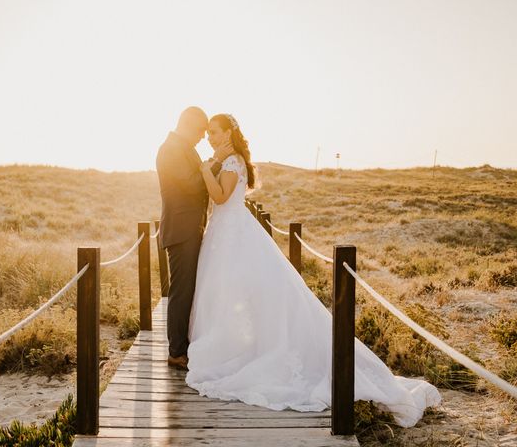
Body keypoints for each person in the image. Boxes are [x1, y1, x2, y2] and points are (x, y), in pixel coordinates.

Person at [185, 113, 441, 428]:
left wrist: (203, 170)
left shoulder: (232, 162)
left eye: (213, 132)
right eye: (208, 132)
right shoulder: (226, 159)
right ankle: (235, 342)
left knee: (236, 288)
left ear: (227, 134)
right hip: (225, 233)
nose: (209, 137)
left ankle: (247, 351)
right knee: (230, 292)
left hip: (233, 232)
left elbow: (220, 197)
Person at [155, 106, 234, 371]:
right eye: (200, 131)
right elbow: (192, 183)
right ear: (187, 124)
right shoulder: (171, 150)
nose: (202, 137)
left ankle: (183, 344)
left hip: (189, 229)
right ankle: (176, 352)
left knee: (188, 289)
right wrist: (217, 160)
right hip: (180, 231)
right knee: (181, 291)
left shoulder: (184, 148)